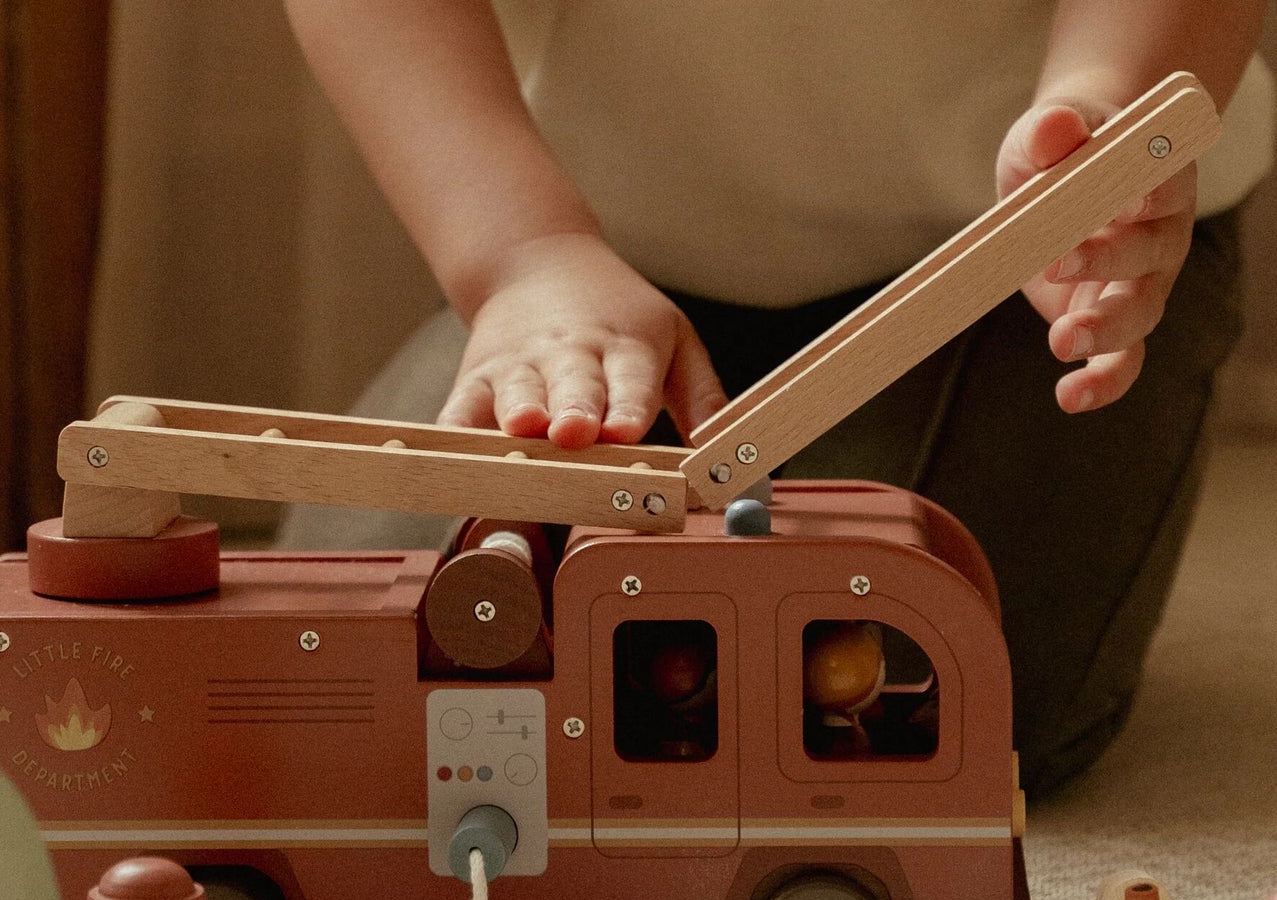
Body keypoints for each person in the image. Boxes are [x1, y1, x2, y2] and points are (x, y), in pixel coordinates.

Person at [279, 0, 1273, 794]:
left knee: (931, 694)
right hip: (594, 252)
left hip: (1002, 258)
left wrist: (1102, 118)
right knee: (350, 662)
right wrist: (521, 257)